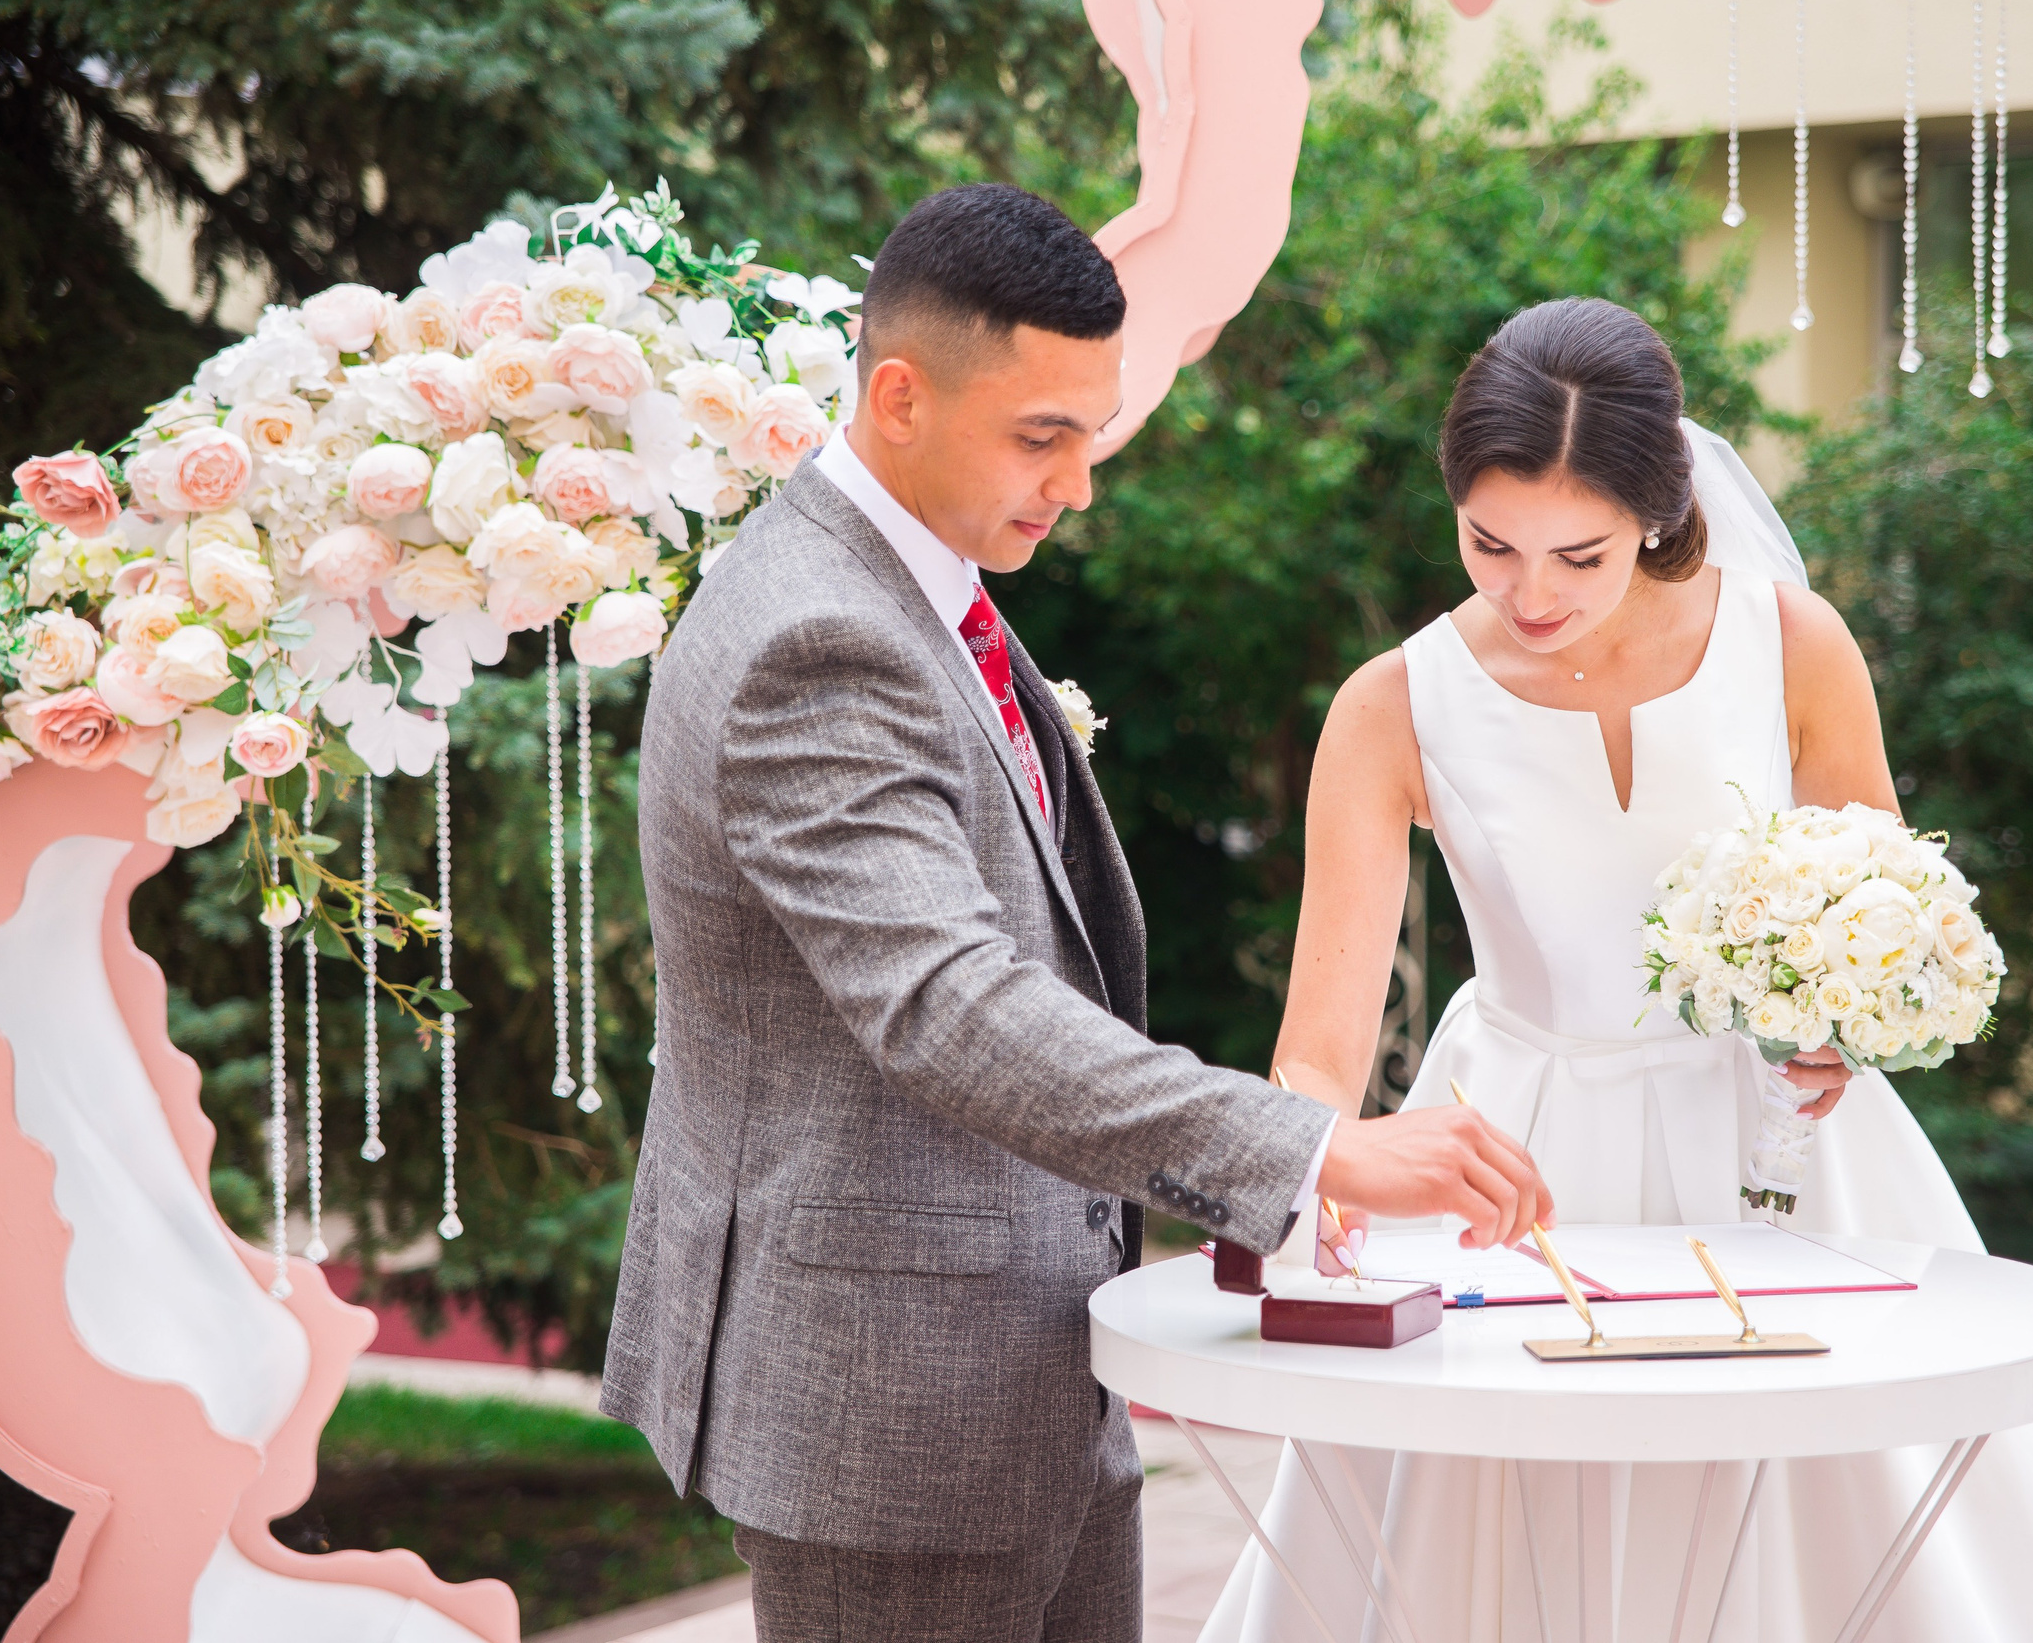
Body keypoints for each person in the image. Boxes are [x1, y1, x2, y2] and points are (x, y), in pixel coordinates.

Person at [599, 184, 1554, 1642]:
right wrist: (1313, 1149)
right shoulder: (819, 635)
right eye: (1041, 438)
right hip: (893, 1410)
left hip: (1026, 1370)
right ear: (900, 395)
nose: (1079, 485)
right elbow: (949, 1005)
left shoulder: (912, 585)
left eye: (1090, 437)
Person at [1199, 299, 2033, 1642]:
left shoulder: (1793, 645)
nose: (1531, 594)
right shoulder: (1392, 703)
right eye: (1490, 544)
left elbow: (1881, 897)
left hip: (1775, 1141)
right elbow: (1321, 1039)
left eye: (1577, 554)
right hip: (1515, 1164)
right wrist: (1320, 1161)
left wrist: (1846, 1029)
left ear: (1658, 510)